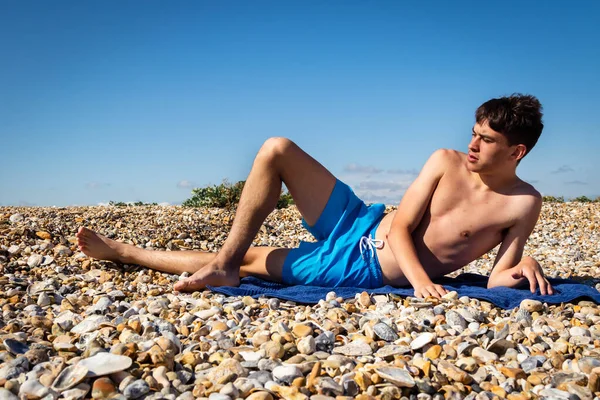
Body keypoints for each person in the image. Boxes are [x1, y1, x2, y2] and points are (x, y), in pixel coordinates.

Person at [76, 93, 554, 299]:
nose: (473, 145)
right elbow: (404, 227)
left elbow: (496, 281)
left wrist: (522, 266)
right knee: (276, 149)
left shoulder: (522, 203)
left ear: (517, 151)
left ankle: (127, 253)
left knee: (254, 261)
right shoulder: (445, 159)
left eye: (486, 141)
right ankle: (224, 260)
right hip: (362, 222)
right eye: (473, 133)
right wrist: (423, 282)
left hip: (361, 267)